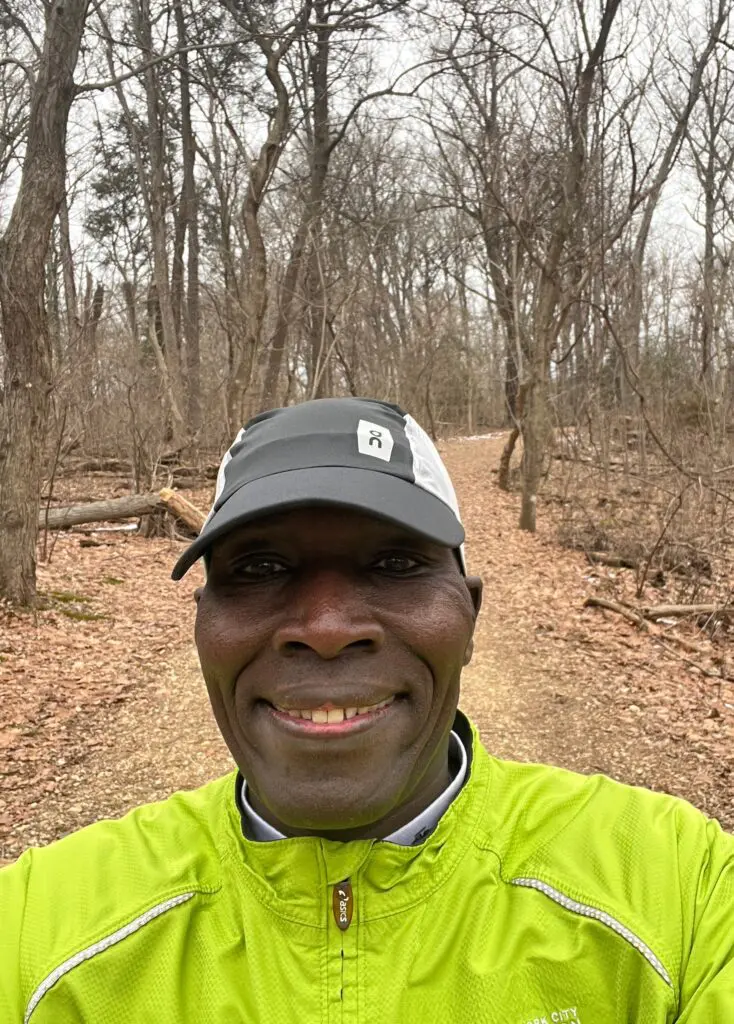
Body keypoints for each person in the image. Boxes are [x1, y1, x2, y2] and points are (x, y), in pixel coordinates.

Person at [1, 396, 733, 1023]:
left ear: (470, 618)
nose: (324, 629)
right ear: (200, 626)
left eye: (395, 565)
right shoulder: (41, 933)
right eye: (259, 569)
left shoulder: (677, 892)